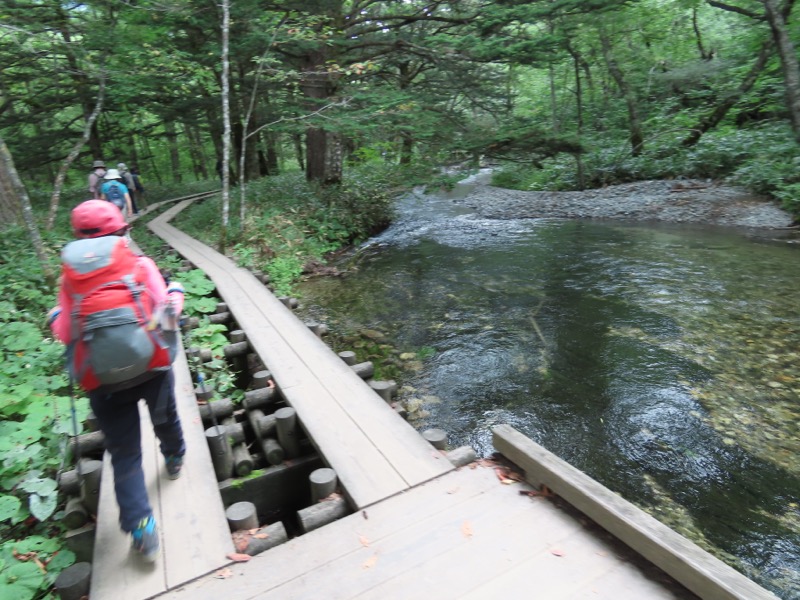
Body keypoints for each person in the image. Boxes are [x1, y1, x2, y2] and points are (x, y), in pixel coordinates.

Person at [47, 200, 187, 562]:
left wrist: (55, 316)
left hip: (103, 382)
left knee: (125, 454)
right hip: (153, 368)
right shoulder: (141, 266)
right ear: (122, 232)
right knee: (165, 419)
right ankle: (174, 457)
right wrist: (175, 294)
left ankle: (141, 529)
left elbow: (66, 333)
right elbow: (166, 317)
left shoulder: (69, 281)